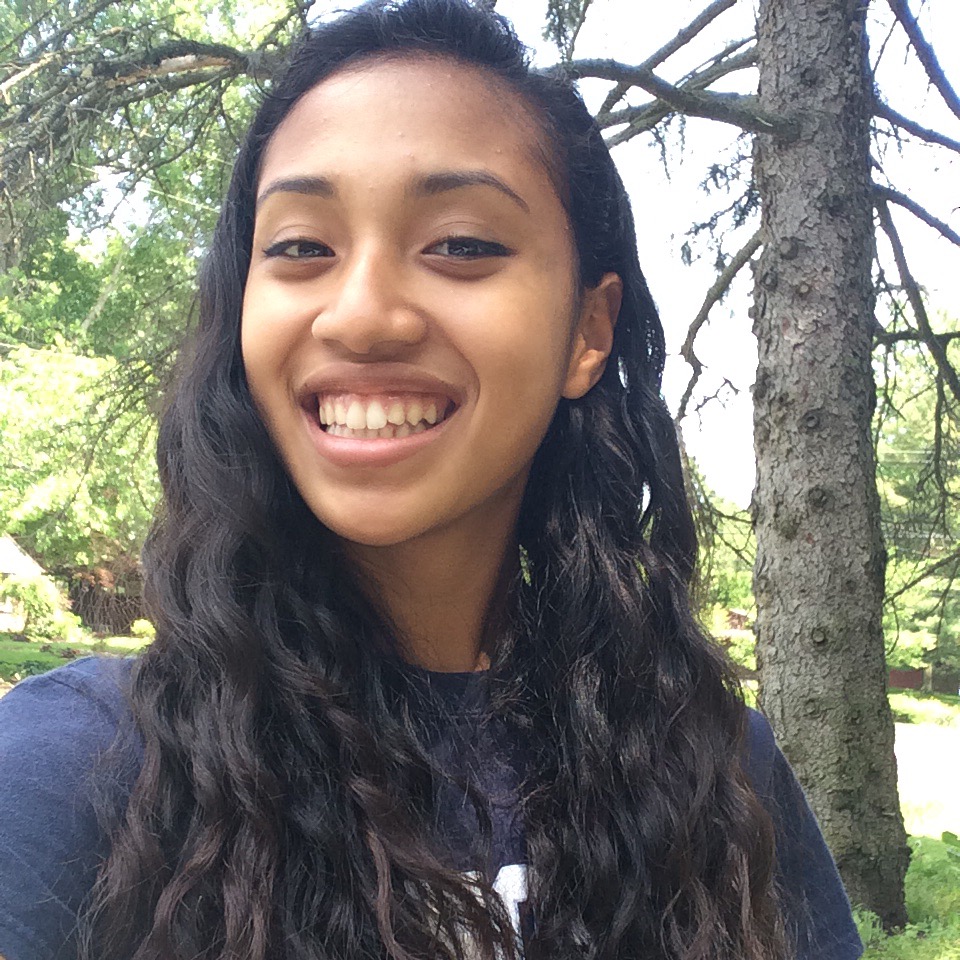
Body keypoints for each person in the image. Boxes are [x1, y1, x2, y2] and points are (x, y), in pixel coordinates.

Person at [0, 1, 865, 958]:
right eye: (300, 248)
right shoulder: (70, 772)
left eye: (461, 244)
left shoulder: (718, 771)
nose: (362, 315)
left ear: (587, 332)